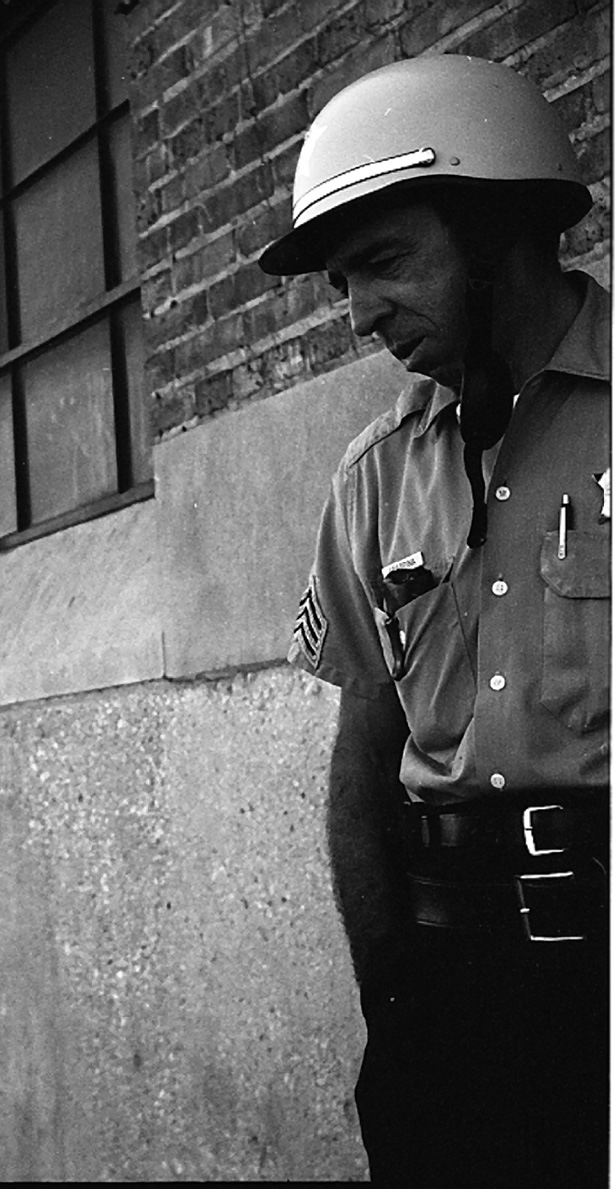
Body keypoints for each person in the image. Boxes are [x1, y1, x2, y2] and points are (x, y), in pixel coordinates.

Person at [259, 55, 609, 1186]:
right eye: (344, 282)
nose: (362, 312)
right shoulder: (374, 477)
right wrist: (392, 998)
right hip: (454, 991)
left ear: (502, 234)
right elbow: (362, 762)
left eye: (386, 262)